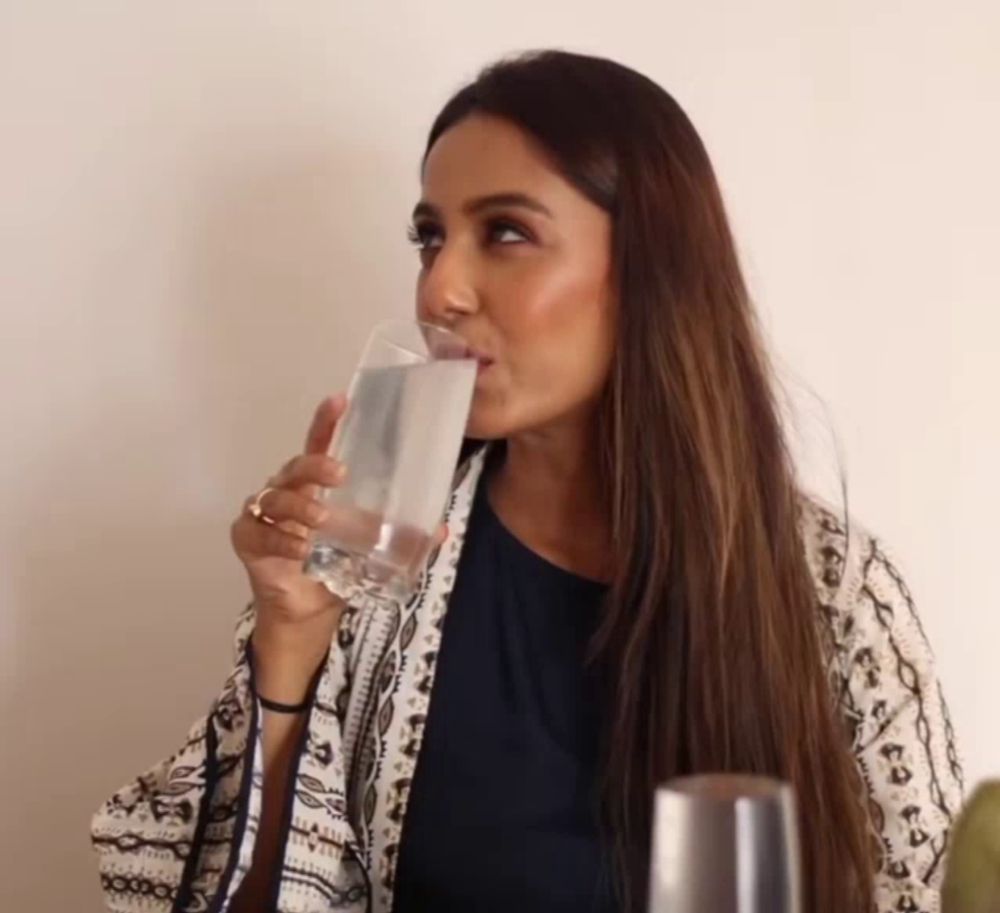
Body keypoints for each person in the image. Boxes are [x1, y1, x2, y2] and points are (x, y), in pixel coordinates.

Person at [91, 49, 963, 913]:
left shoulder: (837, 597)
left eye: (505, 232)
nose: (441, 289)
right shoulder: (376, 568)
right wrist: (289, 638)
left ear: (650, 269)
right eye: (430, 237)